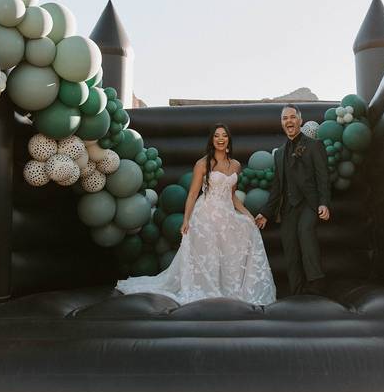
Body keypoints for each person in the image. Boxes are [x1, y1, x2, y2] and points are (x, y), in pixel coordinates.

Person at [116, 123, 276, 305]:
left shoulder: (236, 165)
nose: (221, 139)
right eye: (217, 136)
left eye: (224, 136)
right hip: (206, 214)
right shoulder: (202, 163)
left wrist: (247, 215)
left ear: (229, 140)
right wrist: (186, 219)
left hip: (226, 215)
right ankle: (208, 291)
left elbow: (232, 196)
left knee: (244, 233)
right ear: (212, 140)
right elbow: (193, 194)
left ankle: (233, 290)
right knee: (209, 256)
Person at [255, 104, 331, 296]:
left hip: (310, 204)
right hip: (288, 208)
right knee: (289, 245)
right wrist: (265, 212)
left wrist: (324, 203)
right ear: (282, 123)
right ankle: (297, 290)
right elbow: (276, 188)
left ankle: (316, 284)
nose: (288, 121)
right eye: (284, 118)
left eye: (292, 117)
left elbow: (323, 177)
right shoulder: (279, 153)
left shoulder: (314, 145)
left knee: (305, 232)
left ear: (300, 120)